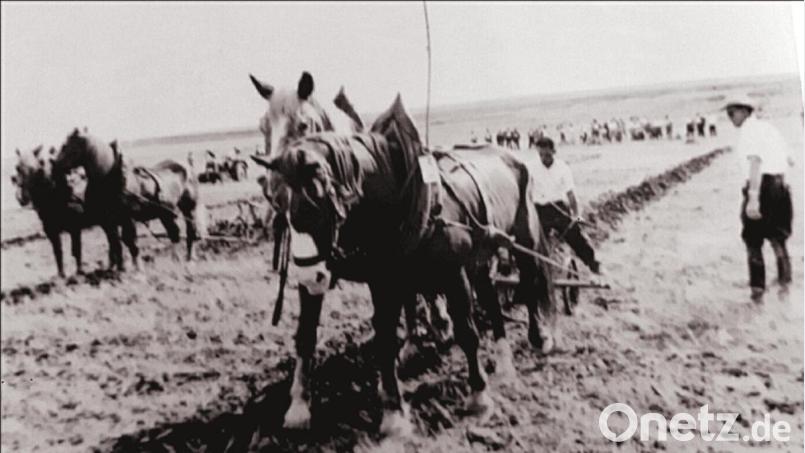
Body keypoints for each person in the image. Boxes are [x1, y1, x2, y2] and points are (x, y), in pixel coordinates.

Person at [724, 94, 794, 301]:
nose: (730, 118)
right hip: (780, 185)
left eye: (732, 112)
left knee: (752, 239)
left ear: (745, 111)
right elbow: (790, 159)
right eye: (728, 114)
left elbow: (755, 162)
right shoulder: (769, 128)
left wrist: (753, 197)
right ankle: (784, 282)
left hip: (762, 185)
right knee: (778, 237)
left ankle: (757, 289)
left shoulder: (748, 130)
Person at [529, 137, 601, 275]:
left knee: (575, 235)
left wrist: (576, 216)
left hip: (558, 209)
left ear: (553, 151)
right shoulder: (531, 167)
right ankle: (534, 269)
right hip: (538, 210)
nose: (544, 158)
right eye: (541, 155)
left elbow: (571, 195)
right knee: (531, 240)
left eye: (547, 155)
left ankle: (593, 264)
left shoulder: (562, 168)